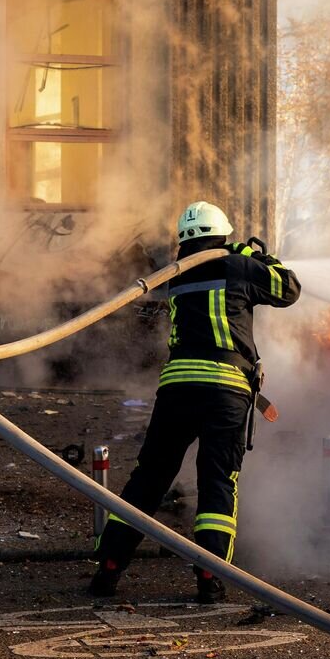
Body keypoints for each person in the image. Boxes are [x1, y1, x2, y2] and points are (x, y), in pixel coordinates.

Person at [91, 200, 301, 603]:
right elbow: (288, 288)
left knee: (148, 478)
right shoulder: (237, 265)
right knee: (218, 481)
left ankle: (110, 566)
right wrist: (254, 254)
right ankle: (209, 575)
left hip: (177, 390)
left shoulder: (177, 274)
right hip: (224, 390)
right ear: (223, 233)